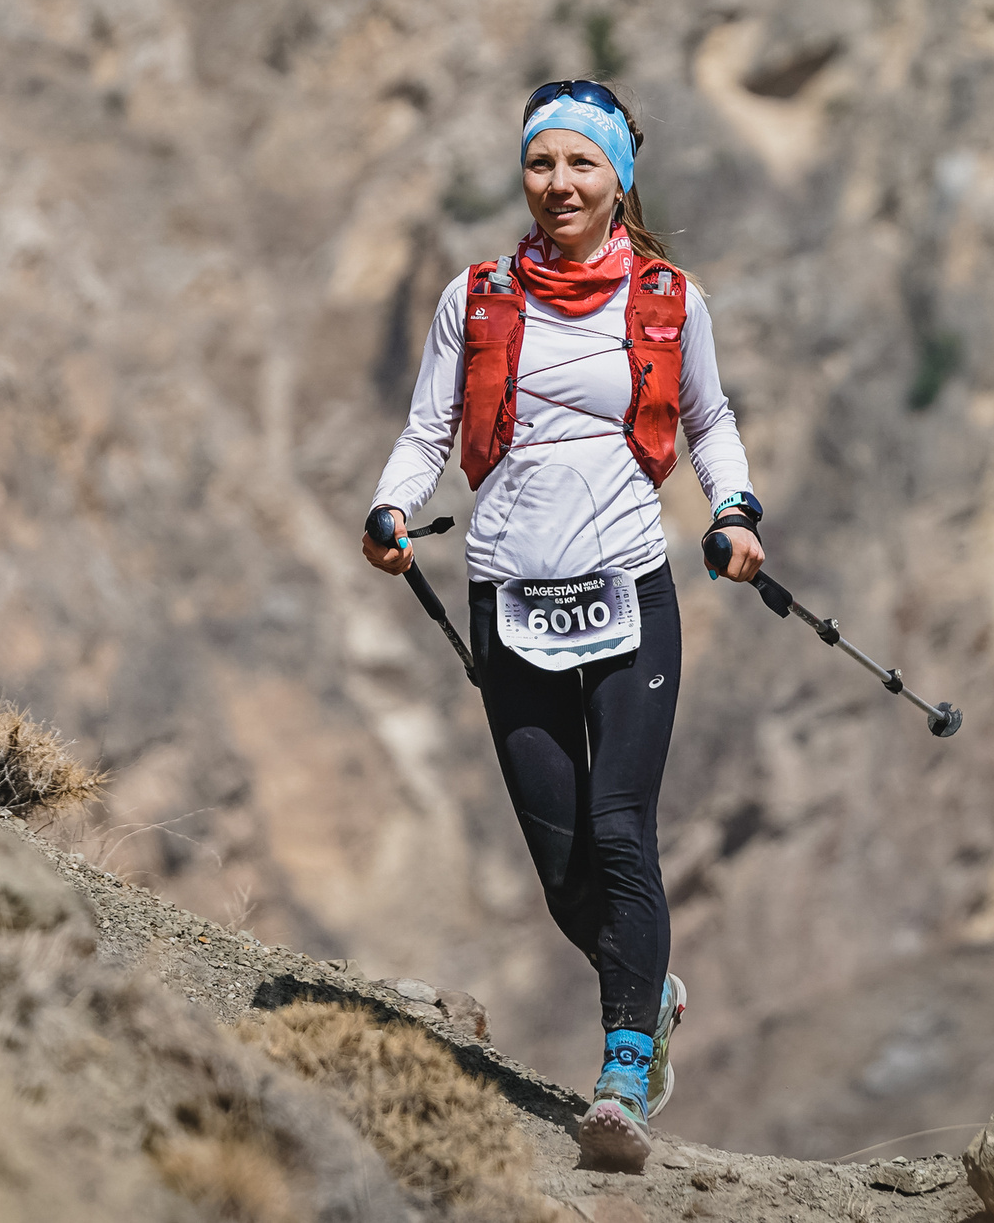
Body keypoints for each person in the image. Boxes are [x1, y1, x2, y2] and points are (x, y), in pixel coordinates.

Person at [361, 79, 764, 1173]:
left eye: (580, 165)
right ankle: (651, 983)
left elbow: (709, 418)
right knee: (559, 862)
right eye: (541, 164)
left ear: (618, 179)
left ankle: (624, 1070)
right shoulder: (479, 297)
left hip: (630, 591)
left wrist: (733, 511)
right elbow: (427, 429)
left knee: (621, 828)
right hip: (508, 596)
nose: (558, 184)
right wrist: (391, 506)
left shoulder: (670, 296)